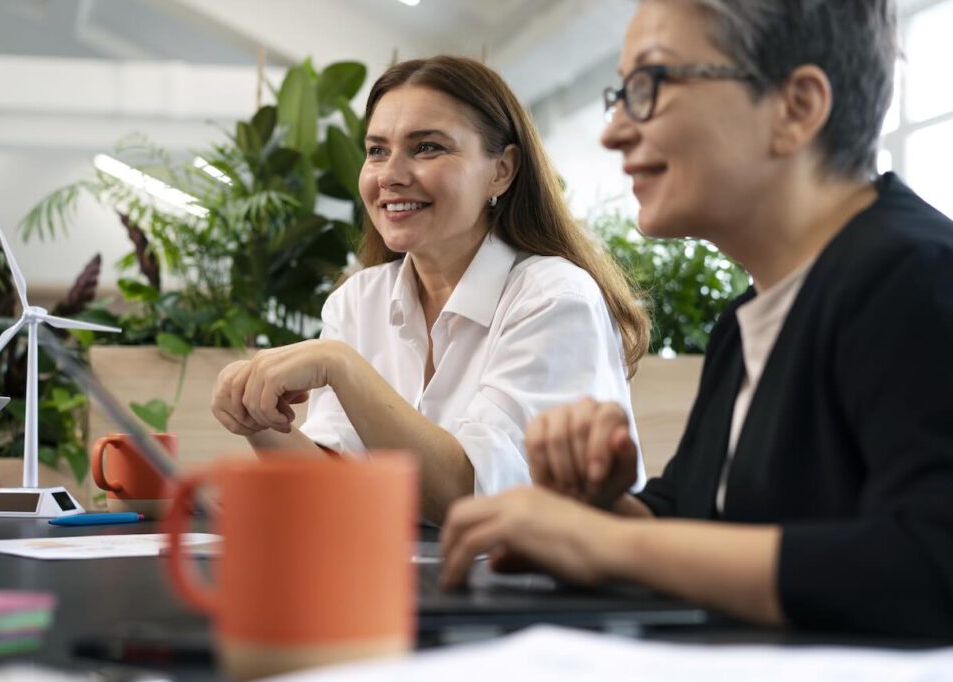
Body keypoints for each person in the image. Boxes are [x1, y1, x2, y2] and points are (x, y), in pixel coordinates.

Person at [440, 0, 953, 637]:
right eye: (620, 94)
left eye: (650, 85)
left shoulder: (918, 275)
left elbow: (929, 564)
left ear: (795, 108)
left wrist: (607, 543)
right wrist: (597, 509)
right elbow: (691, 521)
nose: (614, 132)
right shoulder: (748, 319)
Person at [210, 56, 650, 524]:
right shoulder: (358, 301)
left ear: (501, 170)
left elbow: (471, 496)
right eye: (377, 150)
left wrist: (341, 366)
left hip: (547, 588)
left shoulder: (555, 298)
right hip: (416, 581)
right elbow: (337, 491)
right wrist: (256, 419)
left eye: (427, 148)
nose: (390, 174)